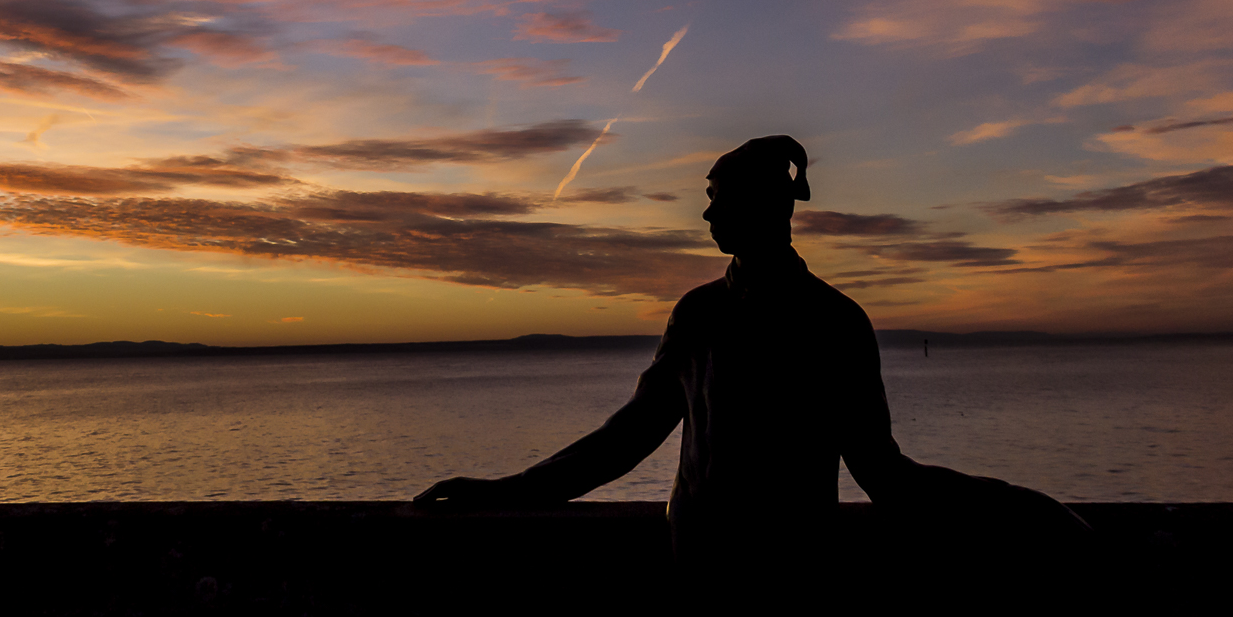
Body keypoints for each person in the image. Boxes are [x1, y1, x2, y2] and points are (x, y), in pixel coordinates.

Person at [414, 135, 1088, 570]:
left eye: (720, 201)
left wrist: (1019, 507)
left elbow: (886, 476)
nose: (707, 217)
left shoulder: (834, 322)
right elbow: (627, 437)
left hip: (791, 589)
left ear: (768, 205)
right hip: (695, 573)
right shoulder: (699, 313)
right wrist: (508, 490)